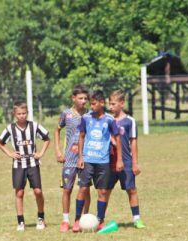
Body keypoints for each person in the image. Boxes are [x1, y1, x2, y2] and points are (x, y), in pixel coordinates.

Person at [73, 90, 123, 232]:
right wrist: (81, 157)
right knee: (83, 188)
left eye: (94, 104)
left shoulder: (109, 120)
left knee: (102, 191)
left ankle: (100, 220)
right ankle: (77, 220)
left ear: (102, 103)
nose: (91, 106)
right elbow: (81, 136)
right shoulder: (86, 118)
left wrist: (119, 159)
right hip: (87, 160)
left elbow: (117, 139)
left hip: (103, 161)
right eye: (91, 104)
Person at [0, 102, 50, 231]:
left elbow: (47, 139)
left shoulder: (34, 126)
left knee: (38, 191)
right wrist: (9, 153)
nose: (21, 116)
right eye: (19, 114)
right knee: (19, 192)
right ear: (15, 115)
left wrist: (41, 153)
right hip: (18, 165)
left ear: (27, 113)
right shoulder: (10, 129)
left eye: (24, 113)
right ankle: (21, 221)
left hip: (33, 163)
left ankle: (41, 218)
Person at [54, 84, 91, 232]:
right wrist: (57, 150)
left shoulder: (90, 115)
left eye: (85, 98)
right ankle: (65, 220)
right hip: (69, 158)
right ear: (73, 98)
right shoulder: (66, 114)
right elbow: (57, 130)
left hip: (86, 158)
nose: (83, 101)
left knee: (85, 189)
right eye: (80, 98)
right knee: (67, 189)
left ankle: (84, 219)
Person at [107, 90, 146, 228]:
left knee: (131, 189)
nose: (110, 107)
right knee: (105, 190)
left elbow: (133, 143)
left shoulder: (130, 121)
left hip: (126, 162)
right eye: (109, 104)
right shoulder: (107, 120)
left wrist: (135, 163)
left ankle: (137, 219)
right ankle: (100, 219)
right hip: (109, 161)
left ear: (122, 104)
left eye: (113, 104)